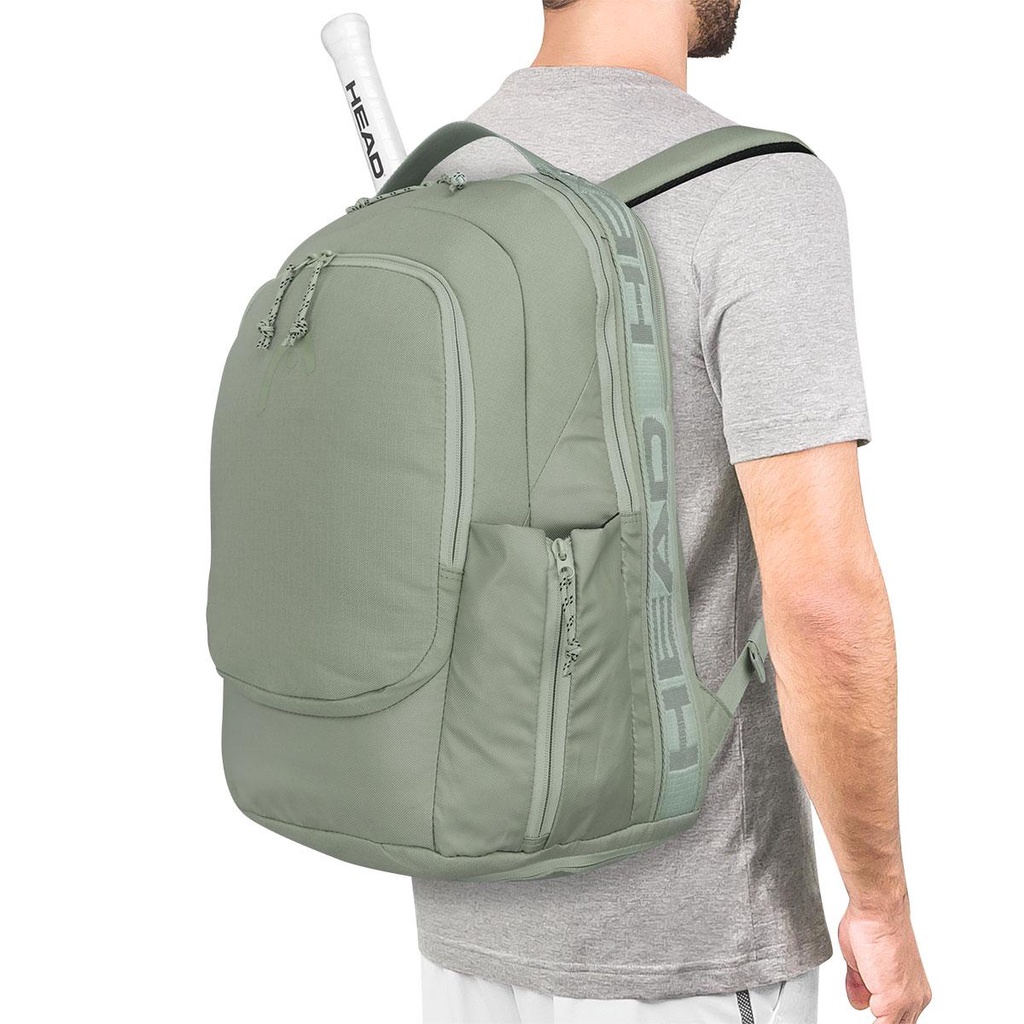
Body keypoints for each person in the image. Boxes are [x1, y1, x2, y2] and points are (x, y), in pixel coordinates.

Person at [417, 1, 932, 1021]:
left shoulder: (432, 185)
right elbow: (823, 601)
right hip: (687, 947)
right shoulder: (755, 191)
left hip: (466, 924)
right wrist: (880, 903)